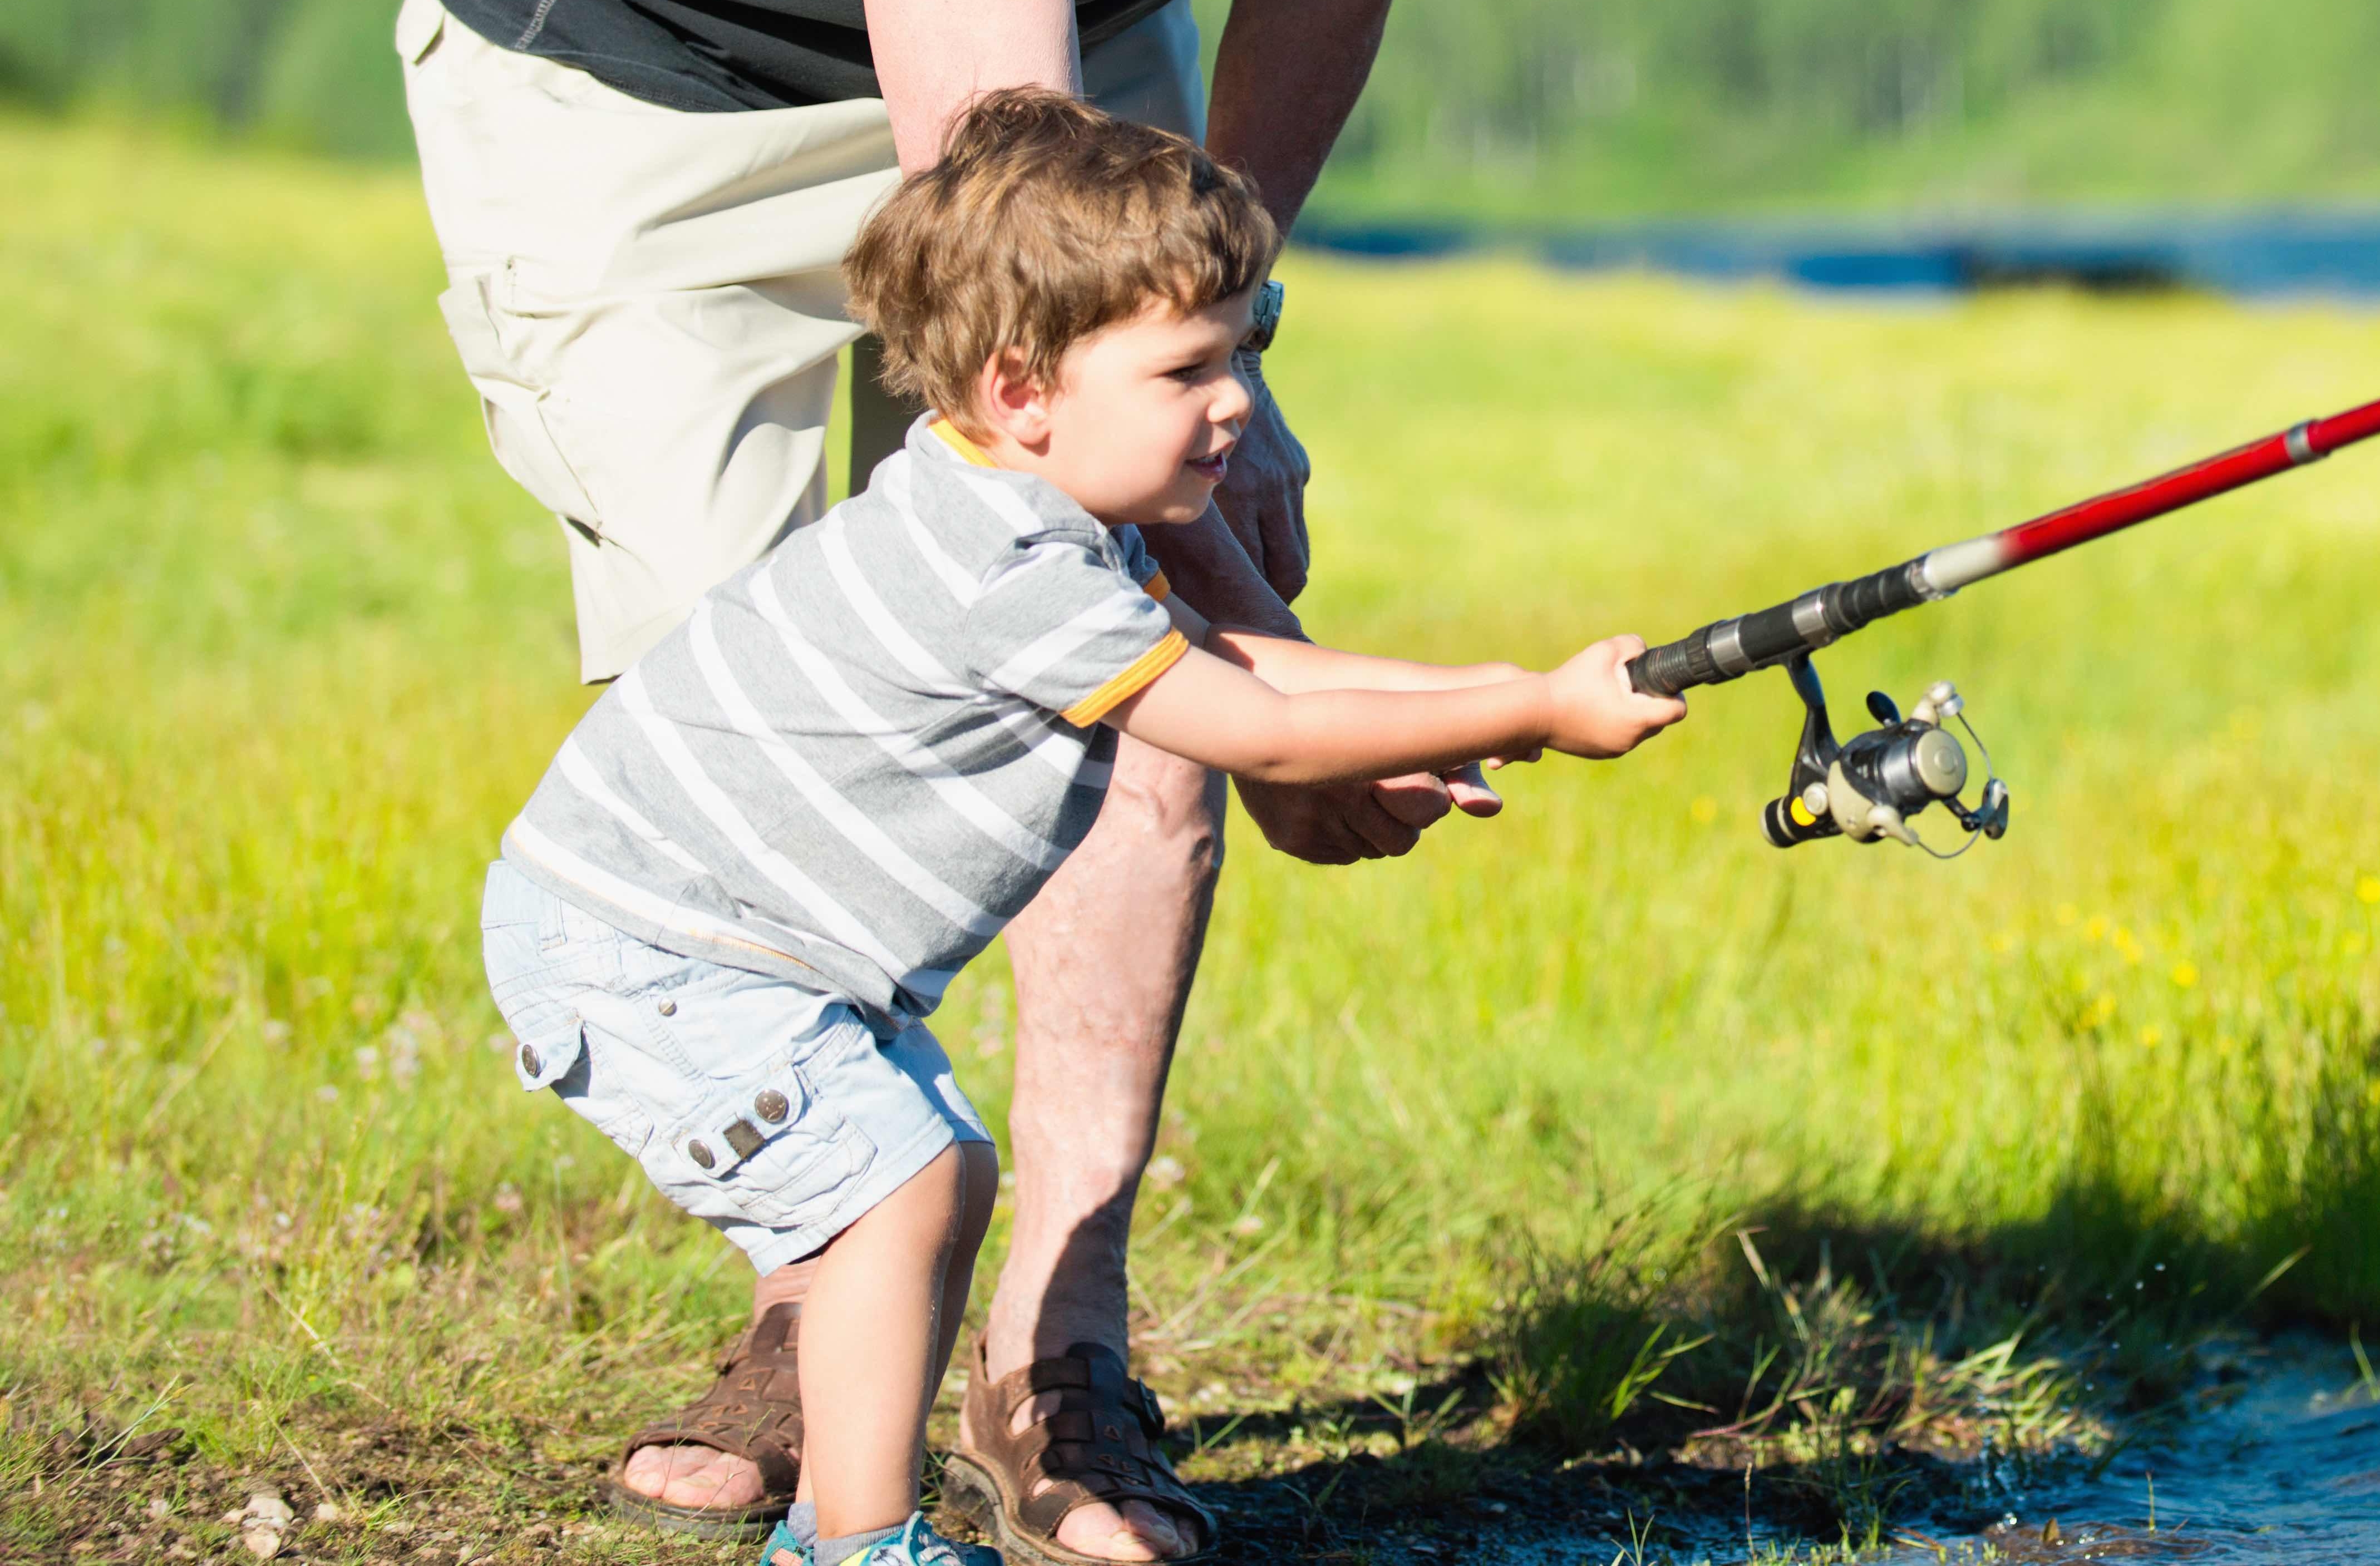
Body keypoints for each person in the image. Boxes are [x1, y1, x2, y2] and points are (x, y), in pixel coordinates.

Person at [397, 0, 1733, 1559]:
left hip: (1054, 21)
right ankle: (828, 1272)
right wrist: (1249, 652)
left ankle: (1061, 1351)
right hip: (646, 92)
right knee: (837, 668)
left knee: (1163, 545)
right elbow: (1019, 320)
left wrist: (1251, 351)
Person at [483, 91, 1689, 1566]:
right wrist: (1529, 708)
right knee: (900, 1180)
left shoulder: (1035, 509)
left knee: (939, 1166)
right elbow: (1254, 729)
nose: (1235, 399)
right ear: (1023, 384)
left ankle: (848, 1520)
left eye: (1243, 350)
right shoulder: (1002, 563)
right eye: (1187, 365)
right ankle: (854, 1540)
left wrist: (1522, 691)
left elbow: (1257, 669)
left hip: (716, 943)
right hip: (652, 946)